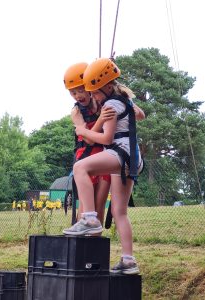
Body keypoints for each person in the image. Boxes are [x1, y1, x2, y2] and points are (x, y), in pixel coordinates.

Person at [63, 58, 145, 274]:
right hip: (133, 158)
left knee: (80, 168)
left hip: (119, 153)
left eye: (94, 92)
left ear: (106, 87)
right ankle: (129, 261)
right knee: (119, 212)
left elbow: (106, 139)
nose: (93, 97)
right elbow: (140, 115)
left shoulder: (110, 104)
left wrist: (81, 131)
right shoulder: (122, 99)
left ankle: (89, 218)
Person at [63, 62, 114, 225]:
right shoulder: (76, 112)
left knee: (99, 207)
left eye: (81, 90)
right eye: (73, 93)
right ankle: (80, 242)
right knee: (85, 209)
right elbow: (89, 139)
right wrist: (101, 118)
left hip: (105, 155)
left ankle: (94, 244)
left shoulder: (101, 103)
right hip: (86, 156)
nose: (78, 96)